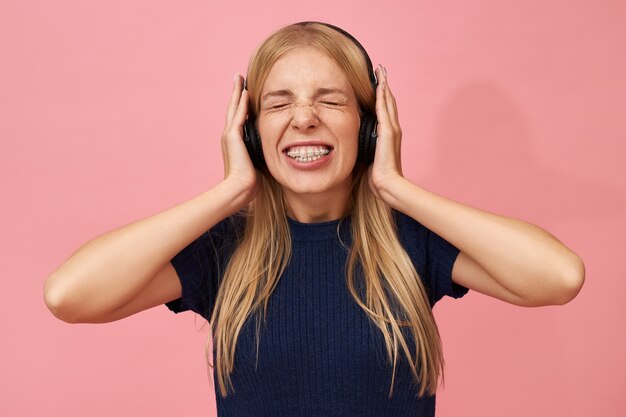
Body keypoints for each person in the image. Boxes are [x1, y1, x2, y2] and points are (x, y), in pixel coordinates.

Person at [44, 21, 585, 417]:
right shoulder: (224, 250)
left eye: (330, 100)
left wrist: (396, 186)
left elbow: (558, 278)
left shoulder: (410, 243)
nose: (304, 118)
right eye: (278, 104)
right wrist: (231, 190)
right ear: (251, 134)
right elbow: (69, 295)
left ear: (369, 128)